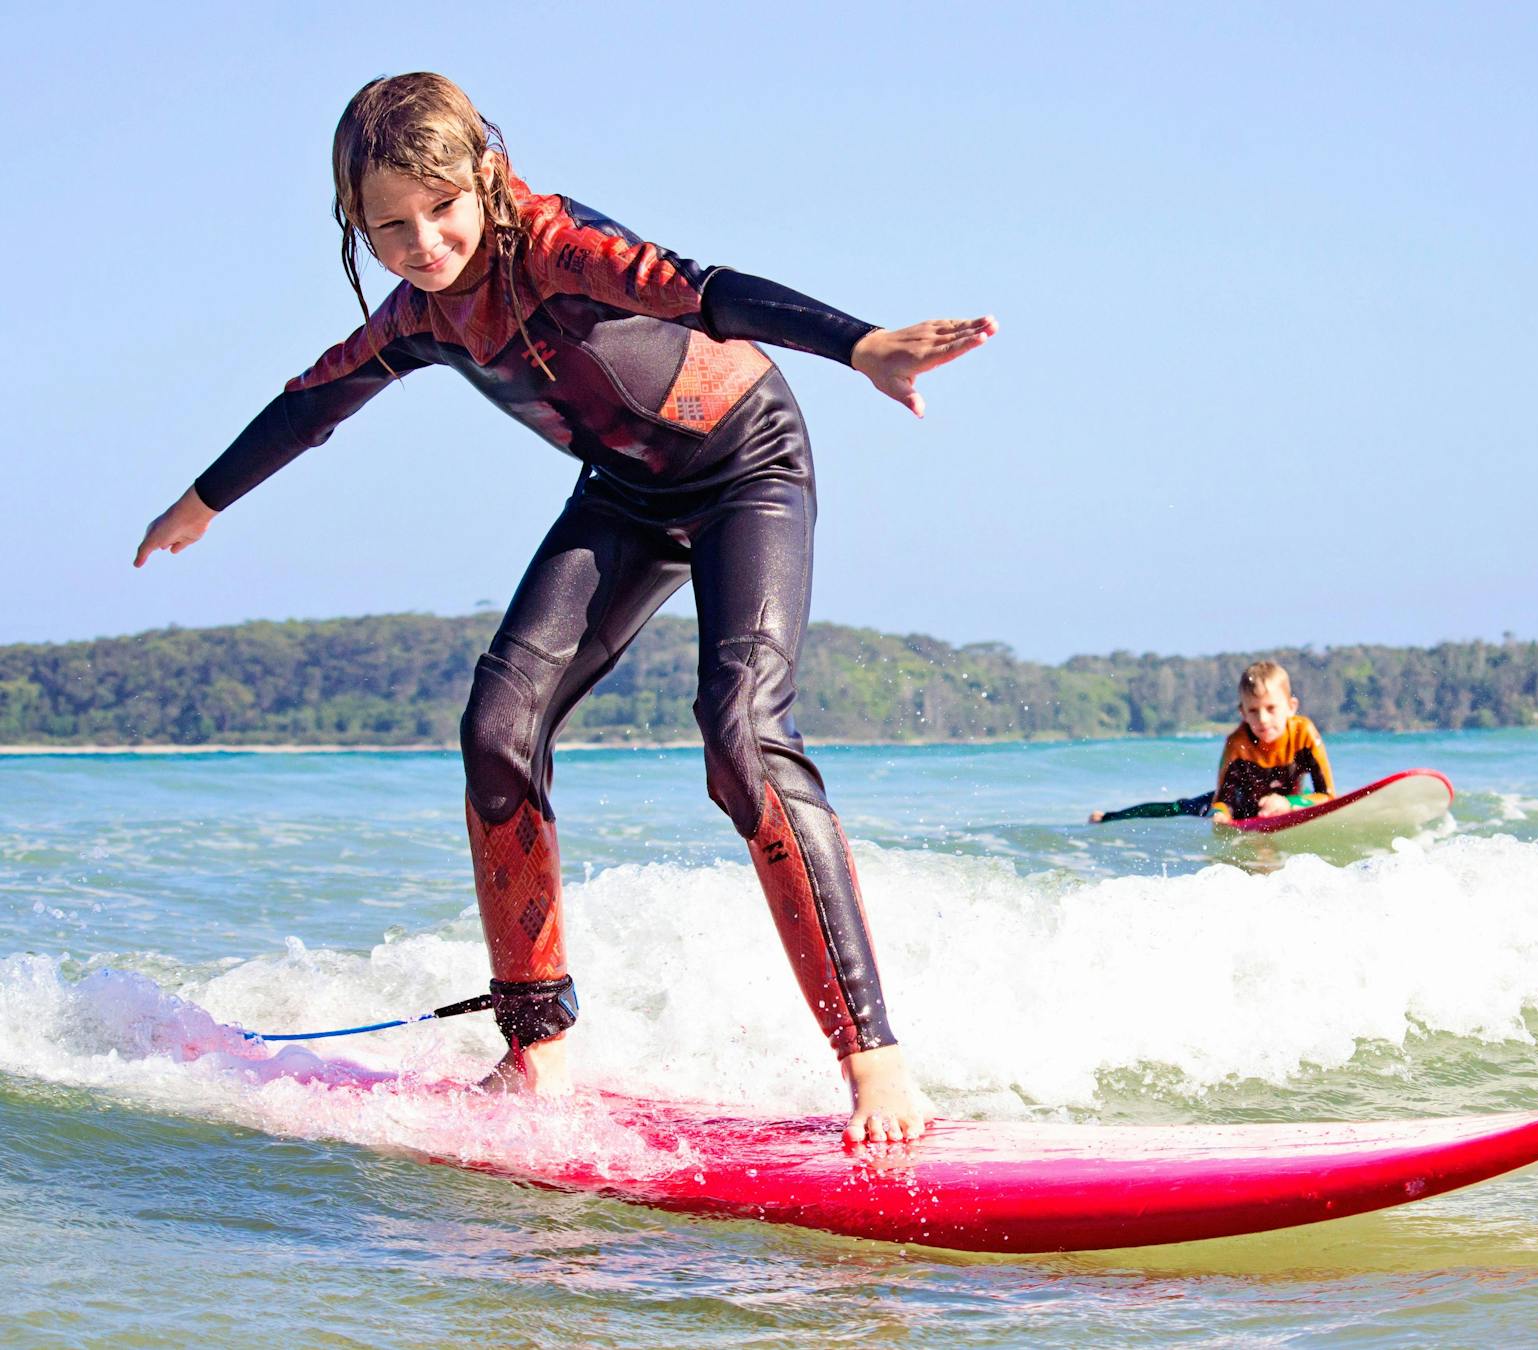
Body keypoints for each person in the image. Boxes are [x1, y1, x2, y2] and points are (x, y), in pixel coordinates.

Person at [133, 72, 996, 1144]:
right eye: (390, 226)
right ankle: (536, 1044)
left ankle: (877, 1065)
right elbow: (316, 400)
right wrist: (201, 501)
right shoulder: (420, 319)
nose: (424, 244)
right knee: (497, 729)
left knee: (742, 738)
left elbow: (708, 290)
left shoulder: (556, 250)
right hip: (629, 494)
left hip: (747, 467)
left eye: (440, 210)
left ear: (484, 180)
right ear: (357, 223)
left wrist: (861, 345)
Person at [1089, 660, 1333, 824]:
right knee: (1177, 809)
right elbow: (1222, 802)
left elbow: (1327, 796)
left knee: (1309, 796)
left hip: (1285, 801)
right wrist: (1220, 816)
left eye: (1271, 708)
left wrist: (1288, 803)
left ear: (1291, 707)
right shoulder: (1237, 744)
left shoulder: (1304, 734)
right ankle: (1109, 818)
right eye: (1254, 710)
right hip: (1241, 807)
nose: (1263, 719)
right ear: (1242, 713)